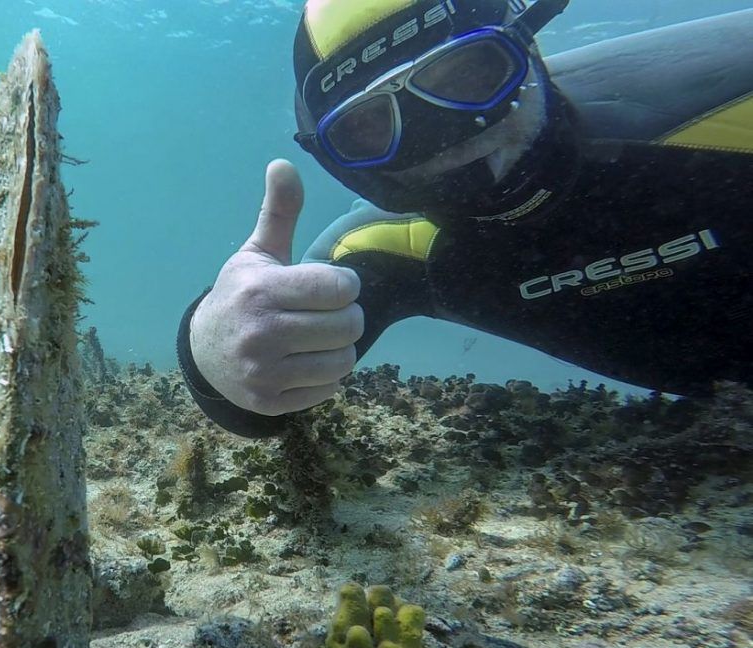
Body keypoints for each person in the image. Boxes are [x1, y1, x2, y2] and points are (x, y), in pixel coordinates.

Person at [177, 0, 753, 438]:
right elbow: (269, 395)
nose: (443, 136)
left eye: (467, 77)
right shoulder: (387, 250)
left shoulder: (733, 107)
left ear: (524, 49)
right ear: (337, 158)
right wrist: (212, 349)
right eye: (374, 125)